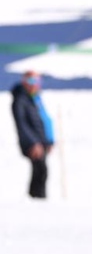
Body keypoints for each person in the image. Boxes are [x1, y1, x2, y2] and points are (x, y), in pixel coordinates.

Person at [11, 71, 55, 199]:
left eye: (36, 81)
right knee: (40, 171)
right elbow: (22, 124)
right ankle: (36, 201)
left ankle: (37, 200)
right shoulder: (20, 99)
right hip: (32, 143)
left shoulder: (34, 98)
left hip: (42, 142)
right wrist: (33, 143)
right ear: (24, 81)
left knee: (41, 172)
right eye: (31, 81)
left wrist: (49, 141)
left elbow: (43, 121)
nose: (34, 84)